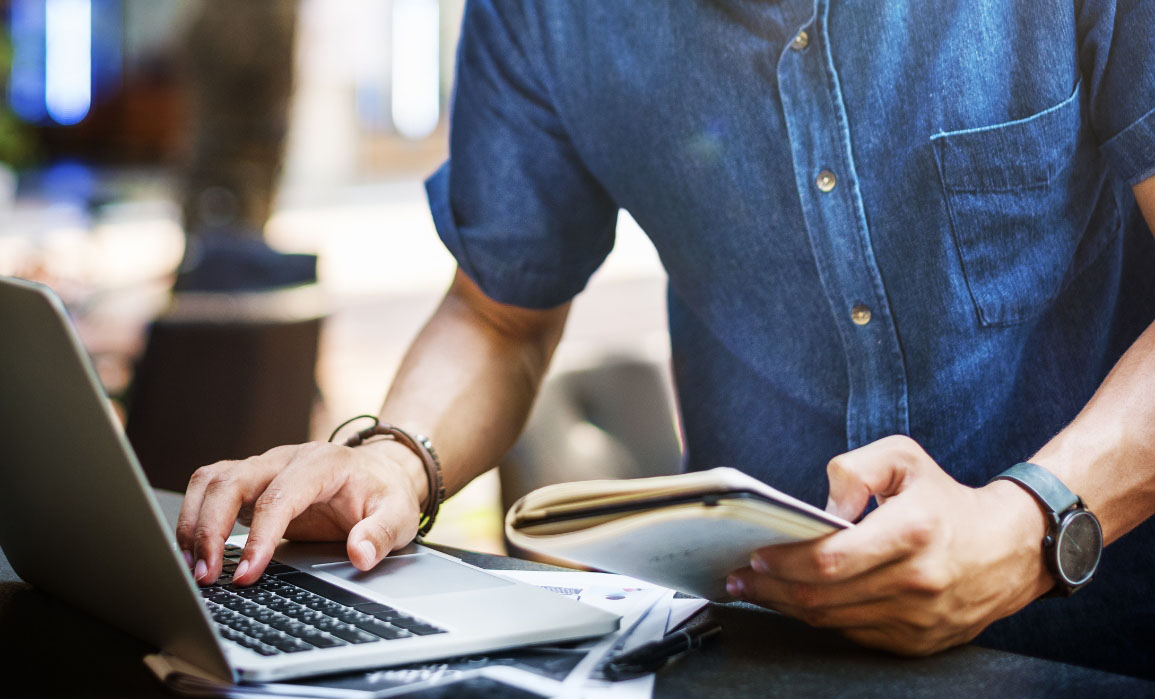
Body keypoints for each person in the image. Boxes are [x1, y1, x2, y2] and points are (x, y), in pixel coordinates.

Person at [175, 0, 1155, 679]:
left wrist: (1034, 524)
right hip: (759, 651)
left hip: (1099, 641)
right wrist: (393, 459)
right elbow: (497, 312)